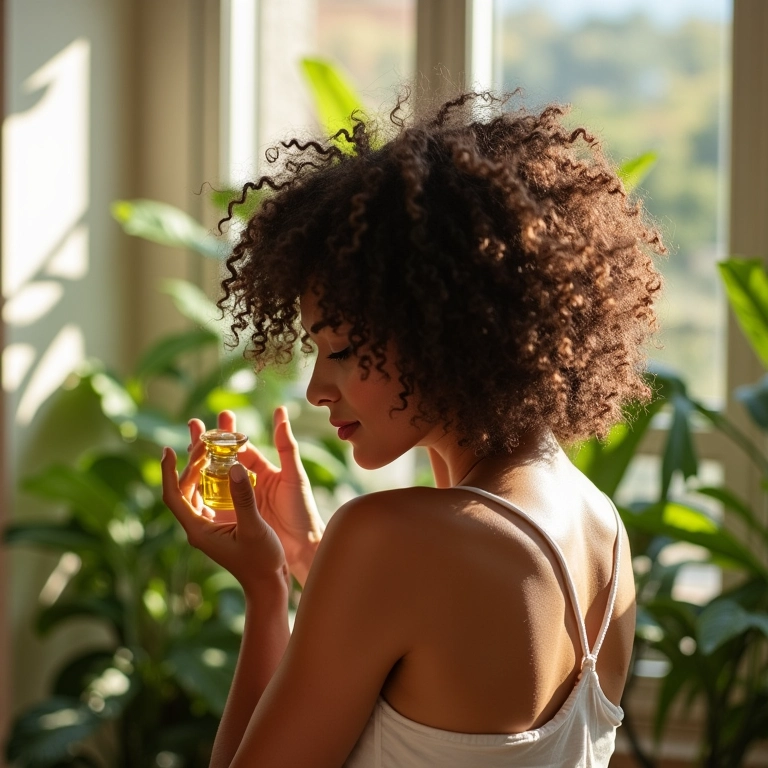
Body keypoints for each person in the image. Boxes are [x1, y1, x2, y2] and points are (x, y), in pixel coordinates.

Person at [160, 90, 664, 767]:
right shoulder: (602, 529)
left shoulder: (390, 540)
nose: (316, 389)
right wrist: (311, 558)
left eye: (340, 350)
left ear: (443, 333)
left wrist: (267, 587)